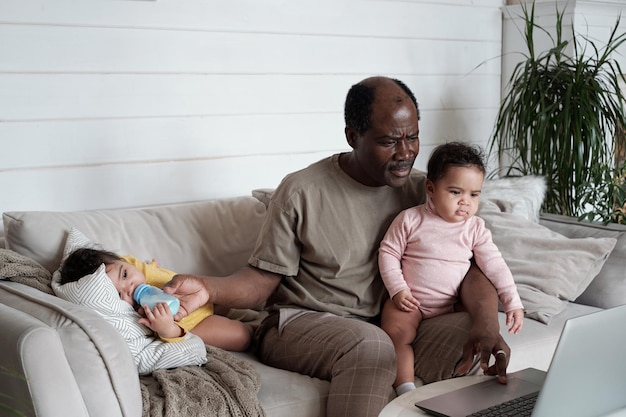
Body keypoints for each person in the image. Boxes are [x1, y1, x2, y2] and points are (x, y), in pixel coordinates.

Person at [163, 76, 512, 417]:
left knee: (475, 338)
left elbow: (472, 266)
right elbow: (259, 282)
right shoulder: (302, 190)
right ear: (353, 136)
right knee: (370, 345)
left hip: (392, 324)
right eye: (390, 141)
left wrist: (486, 323)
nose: (406, 153)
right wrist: (208, 288)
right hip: (301, 323)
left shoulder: (429, 191)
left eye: (413, 137)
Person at [379, 142, 524, 396]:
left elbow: (495, 265)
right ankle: (405, 387)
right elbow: (388, 253)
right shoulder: (411, 219)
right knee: (397, 334)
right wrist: (398, 290)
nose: (465, 203)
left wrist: (512, 301)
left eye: (473, 195)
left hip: (450, 305)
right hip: (409, 301)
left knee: (476, 327)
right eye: (455, 192)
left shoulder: (475, 228)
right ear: (431, 189)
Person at [60, 247, 252, 351]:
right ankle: (257, 330)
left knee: (237, 298)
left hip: (200, 296)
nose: (129, 287)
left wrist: (151, 266)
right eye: (119, 295)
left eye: (125, 275)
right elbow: (165, 336)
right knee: (241, 336)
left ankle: (252, 312)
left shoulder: (131, 264)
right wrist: (167, 327)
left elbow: (138, 267)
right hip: (194, 323)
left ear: (124, 262)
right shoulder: (136, 313)